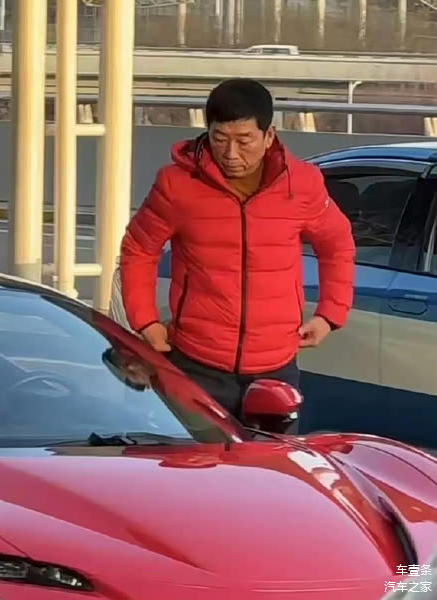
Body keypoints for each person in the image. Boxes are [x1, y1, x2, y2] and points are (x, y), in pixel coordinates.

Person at [117, 78, 355, 423]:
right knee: (196, 456)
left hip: (276, 366)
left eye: (244, 141)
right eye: (219, 139)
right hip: (197, 362)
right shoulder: (177, 184)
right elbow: (139, 249)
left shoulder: (302, 184)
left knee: (270, 457)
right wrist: (146, 322)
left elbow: (337, 244)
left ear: (268, 136)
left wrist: (330, 315)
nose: (230, 154)